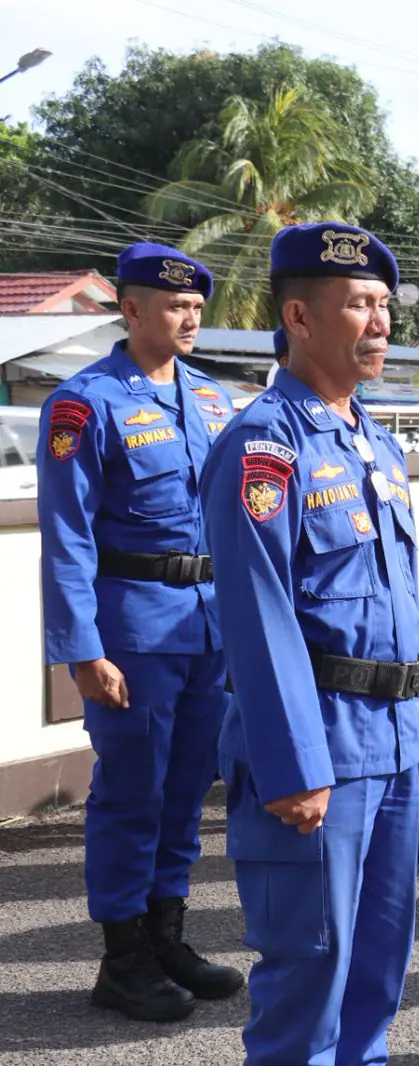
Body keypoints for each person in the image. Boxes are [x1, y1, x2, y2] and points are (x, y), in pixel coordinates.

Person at [200, 222, 419, 1063]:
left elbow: (401, 606)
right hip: (322, 749)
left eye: (384, 304)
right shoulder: (264, 448)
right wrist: (293, 762)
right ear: (301, 318)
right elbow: (259, 620)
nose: (379, 322)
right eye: (358, 305)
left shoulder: (374, 441)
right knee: (309, 976)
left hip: (389, 746)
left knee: (378, 968)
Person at [37, 242, 242, 1022]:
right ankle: (122, 957)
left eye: (196, 305)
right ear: (129, 308)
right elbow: (68, 536)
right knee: (132, 792)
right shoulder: (85, 403)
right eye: (172, 304)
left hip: (210, 626)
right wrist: (83, 649)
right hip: (135, 630)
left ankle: (167, 937)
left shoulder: (216, 400)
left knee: (188, 789)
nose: (189, 316)